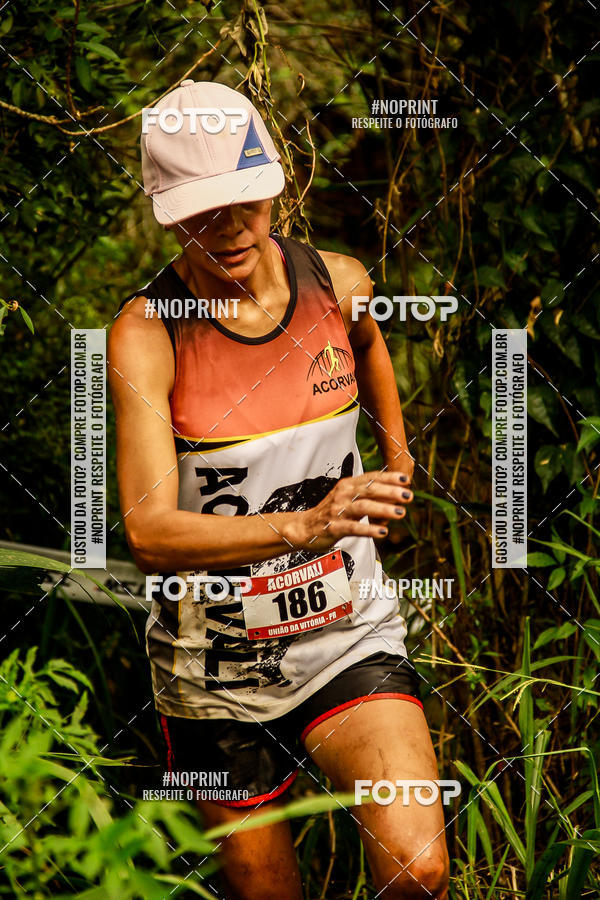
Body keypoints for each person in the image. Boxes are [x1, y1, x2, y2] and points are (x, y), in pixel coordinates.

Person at [108, 79, 450, 899]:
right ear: (165, 211)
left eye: (244, 201)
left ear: (275, 184)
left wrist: (398, 457)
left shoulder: (340, 282)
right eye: (200, 210)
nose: (227, 228)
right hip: (215, 673)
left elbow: (368, 347)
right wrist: (305, 524)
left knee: (419, 868)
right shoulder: (146, 335)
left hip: (348, 636)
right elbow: (150, 532)